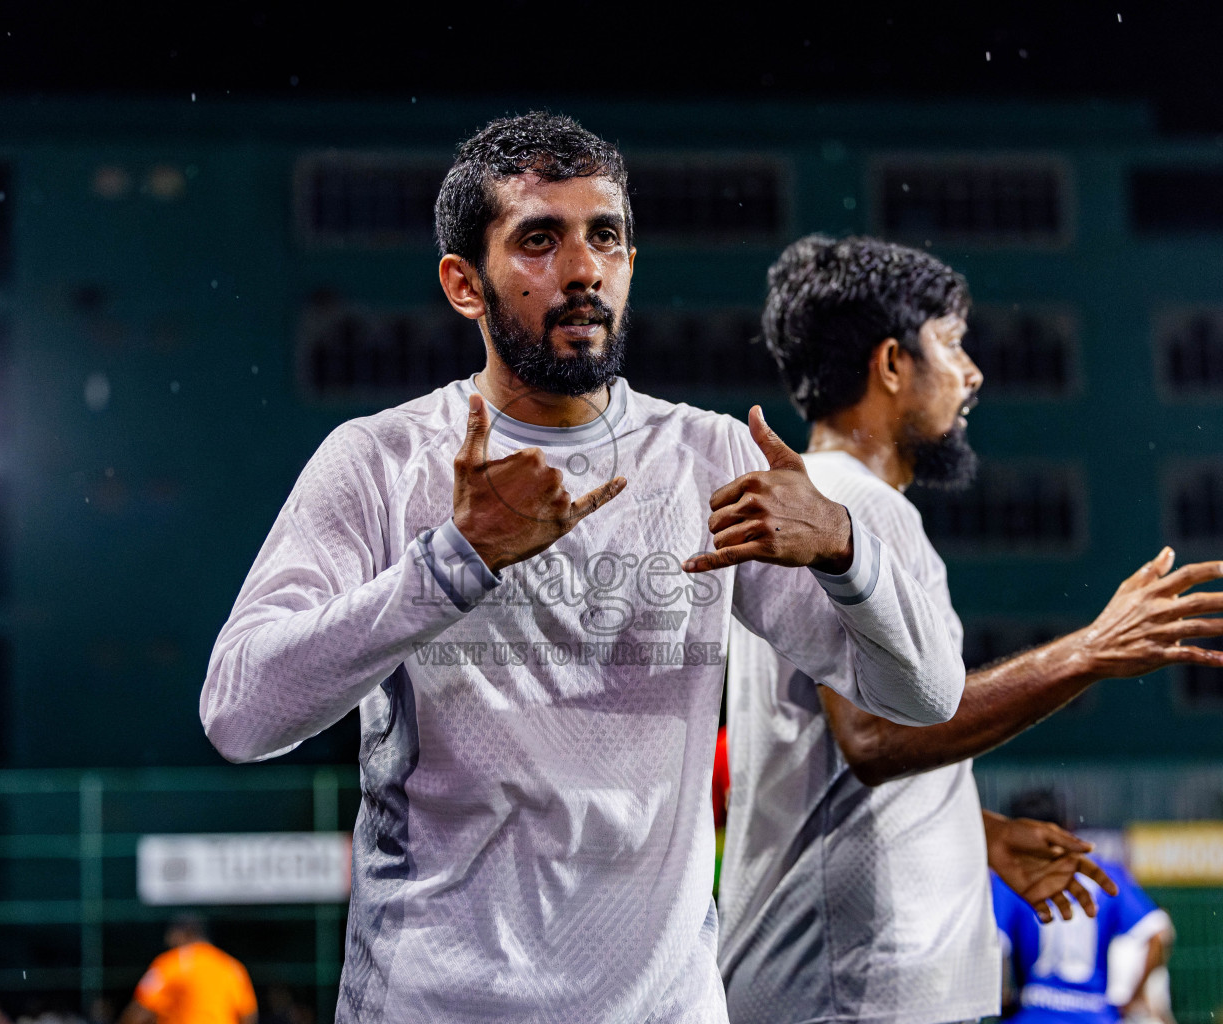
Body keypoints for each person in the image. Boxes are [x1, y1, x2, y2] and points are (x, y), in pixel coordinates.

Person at [201, 114, 966, 1022]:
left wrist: (846, 547)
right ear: (463, 284)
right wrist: (451, 563)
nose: (582, 269)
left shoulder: (711, 459)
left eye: (604, 236)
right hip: (434, 1005)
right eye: (538, 239)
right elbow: (240, 714)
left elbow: (924, 697)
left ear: (632, 261)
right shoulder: (381, 461)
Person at [718, 235, 1223, 1024]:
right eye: (955, 345)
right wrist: (1090, 652)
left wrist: (979, 833)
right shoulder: (848, 511)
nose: (974, 375)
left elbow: (845, 750)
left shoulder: (835, 503)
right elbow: (875, 737)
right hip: (853, 992)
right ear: (893, 364)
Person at [992, 790, 1174, 1024]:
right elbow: (1157, 932)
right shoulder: (1105, 872)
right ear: (1066, 828)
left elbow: (996, 945)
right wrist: (1134, 999)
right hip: (1095, 1015)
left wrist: (1002, 998)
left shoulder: (1013, 878)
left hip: (1034, 1013)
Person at [118, 916, 256, 1024]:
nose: (169, 942)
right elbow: (248, 1015)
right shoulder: (232, 966)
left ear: (182, 934)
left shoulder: (172, 962)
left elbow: (140, 1009)